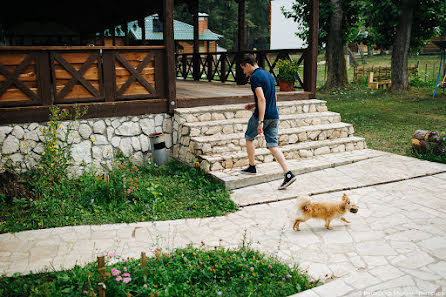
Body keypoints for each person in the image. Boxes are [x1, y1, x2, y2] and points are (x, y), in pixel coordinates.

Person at [239, 53, 296, 190]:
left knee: (249, 137)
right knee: (272, 145)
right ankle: (288, 173)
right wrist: (254, 105)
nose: (244, 72)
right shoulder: (268, 75)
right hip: (274, 114)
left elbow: (262, 99)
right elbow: (272, 96)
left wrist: (260, 121)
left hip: (262, 116)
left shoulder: (255, 77)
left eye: (243, 69)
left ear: (247, 65)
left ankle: (252, 166)